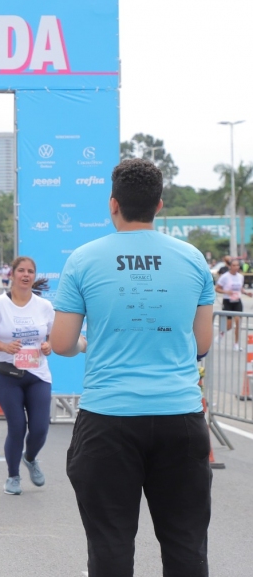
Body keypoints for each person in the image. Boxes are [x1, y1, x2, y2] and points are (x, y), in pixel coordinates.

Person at [50, 158, 215, 577]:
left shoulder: (84, 259)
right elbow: (202, 344)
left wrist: (91, 343)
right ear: (159, 205)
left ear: (113, 204)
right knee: (185, 545)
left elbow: (62, 344)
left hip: (108, 418)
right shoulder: (194, 259)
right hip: (179, 415)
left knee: (110, 546)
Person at [0, 257, 54, 495]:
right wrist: (4, 347)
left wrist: (48, 346)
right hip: (7, 373)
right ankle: (13, 476)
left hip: (37, 373)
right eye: (21, 270)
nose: (26, 275)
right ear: (12, 274)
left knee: (40, 428)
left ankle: (29, 458)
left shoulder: (44, 306)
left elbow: (52, 336)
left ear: (34, 276)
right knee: (17, 426)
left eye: (30, 271)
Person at [214, 259, 251, 351]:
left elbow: (240, 288)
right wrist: (226, 291)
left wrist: (246, 293)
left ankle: (236, 344)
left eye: (237, 265)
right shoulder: (225, 277)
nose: (236, 267)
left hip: (237, 301)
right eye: (234, 265)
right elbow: (217, 288)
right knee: (229, 325)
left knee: (238, 322)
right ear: (230, 266)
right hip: (227, 301)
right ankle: (221, 333)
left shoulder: (240, 277)